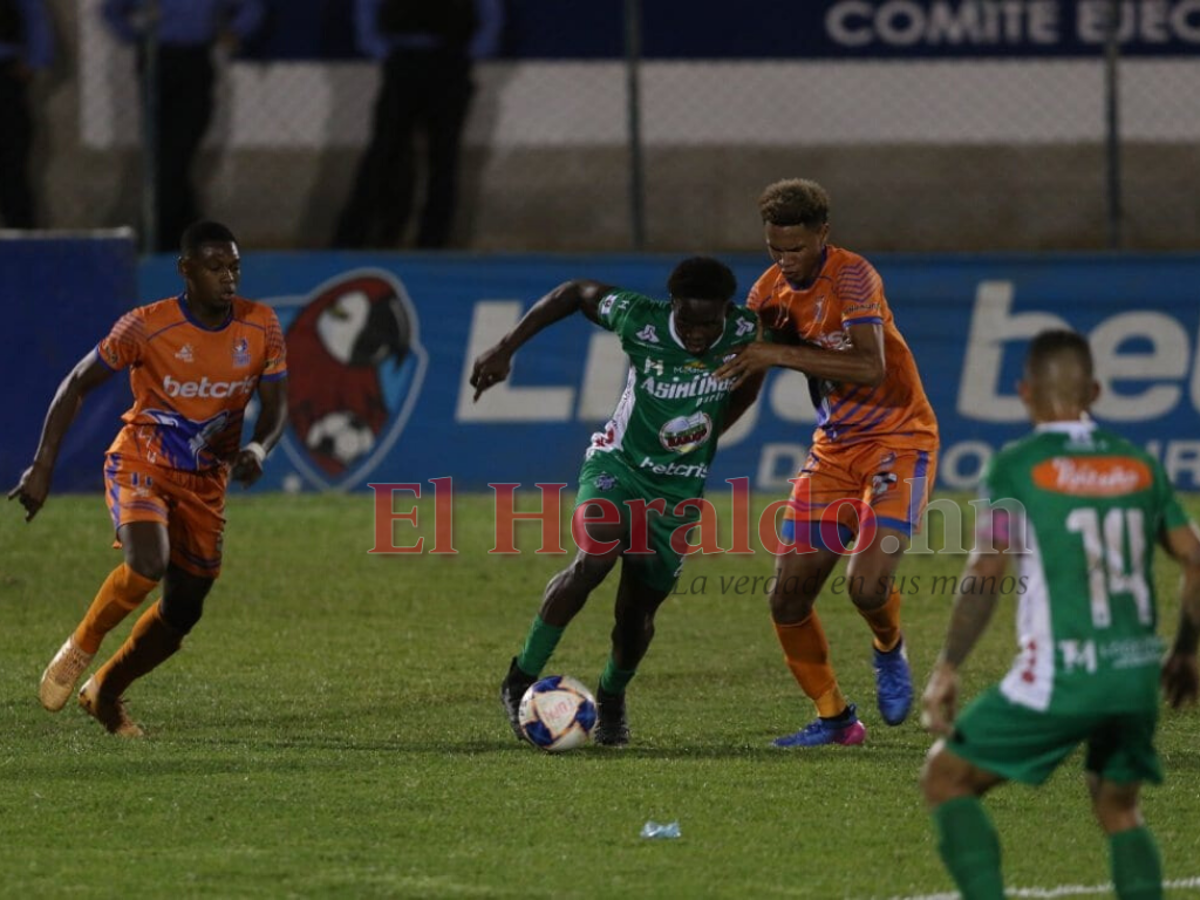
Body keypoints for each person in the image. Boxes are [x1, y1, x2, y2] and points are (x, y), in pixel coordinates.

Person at [920, 329, 1200, 900]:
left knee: (946, 779)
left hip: (1064, 674)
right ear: (1095, 389)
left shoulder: (1014, 468)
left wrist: (948, 665)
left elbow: (987, 569)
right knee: (1119, 807)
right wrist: (1187, 649)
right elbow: (1195, 561)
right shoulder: (1140, 465)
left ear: (1023, 392)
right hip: (1134, 673)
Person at [9, 220, 288, 737]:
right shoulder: (145, 326)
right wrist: (42, 466)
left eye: (234, 267)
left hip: (205, 482)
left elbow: (276, 405)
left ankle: (105, 694)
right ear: (186, 271)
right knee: (147, 563)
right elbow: (75, 384)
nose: (228, 278)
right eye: (214, 267)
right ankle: (80, 647)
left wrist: (257, 447)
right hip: (143, 461)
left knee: (184, 611)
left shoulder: (262, 326)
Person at [471, 257, 764, 746]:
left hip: (677, 493)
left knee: (636, 614)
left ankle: (611, 698)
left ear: (726, 312)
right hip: (617, 467)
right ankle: (520, 677)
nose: (696, 334)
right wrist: (505, 348)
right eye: (688, 322)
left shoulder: (746, 330)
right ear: (673, 306)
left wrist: (704, 441)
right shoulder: (638, 317)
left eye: (708, 324)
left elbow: (754, 383)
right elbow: (574, 292)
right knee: (595, 556)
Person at [715, 178, 939, 747]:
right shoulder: (767, 292)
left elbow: (869, 366)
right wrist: (709, 434)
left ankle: (889, 648)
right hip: (834, 449)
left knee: (866, 588)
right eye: (774, 248)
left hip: (900, 440)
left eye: (795, 248)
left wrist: (777, 351)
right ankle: (838, 720)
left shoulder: (853, 275)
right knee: (787, 596)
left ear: (822, 235)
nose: (785, 261)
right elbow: (752, 373)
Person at [332, 0, 503, 250]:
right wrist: (377, 46)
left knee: (443, 157)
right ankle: (358, 238)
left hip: (449, 61)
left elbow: (489, 9)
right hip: (404, 60)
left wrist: (474, 49)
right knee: (384, 152)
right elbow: (367, 7)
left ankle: (433, 243)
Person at [101, 0, 265, 252]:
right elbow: (112, 10)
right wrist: (135, 37)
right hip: (157, 59)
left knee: (178, 152)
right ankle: (178, 235)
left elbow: (251, 8)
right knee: (162, 154)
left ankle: (169, 234)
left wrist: (235, 31)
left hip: (195, 59)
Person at [0, 0, 54, 228]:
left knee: (10, 167)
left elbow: (35, 18)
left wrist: (33, 63)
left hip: (4, 78)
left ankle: (22, 239)